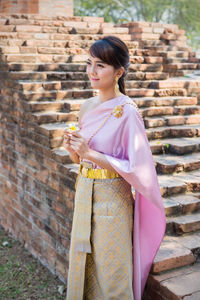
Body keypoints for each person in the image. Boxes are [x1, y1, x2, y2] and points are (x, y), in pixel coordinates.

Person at [64, 36, 166, 300]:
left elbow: (139, 169)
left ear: (119, 72)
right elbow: (80, 161)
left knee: (112, 273)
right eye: (89, 63)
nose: (92, 71)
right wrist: (75, 151)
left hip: (113, 199)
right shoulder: (87, 106)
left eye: (100, 66)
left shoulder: (127, 111)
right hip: (85, 191)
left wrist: (90, 152)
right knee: (83, 264)